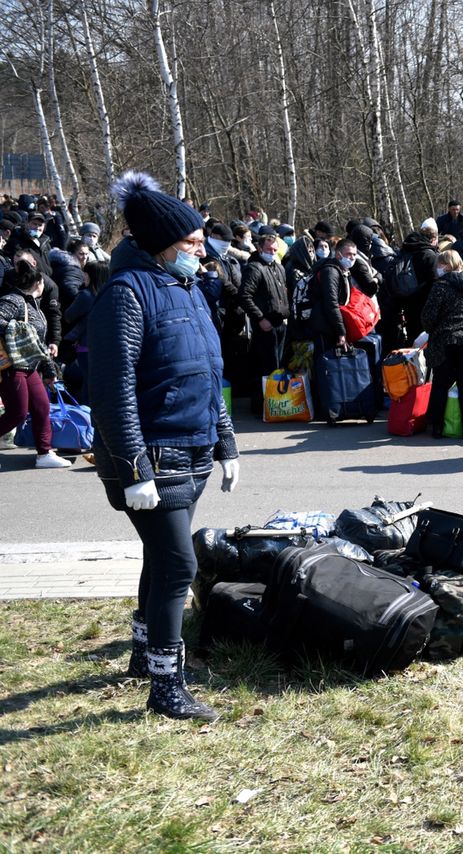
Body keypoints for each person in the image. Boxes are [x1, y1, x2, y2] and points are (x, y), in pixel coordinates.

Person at [87, 172, 238, 721]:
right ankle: (166, 687)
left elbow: (207, 372)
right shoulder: (124, 295)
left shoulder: (189, 289)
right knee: (179, 565)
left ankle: (142, 655)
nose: (202, 251)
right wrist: (134, 468)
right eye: (192, 243)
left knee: (162, 557)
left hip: (192, 452)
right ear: (162, 245)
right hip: (153, 457)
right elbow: (111, 389)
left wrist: (227, 443)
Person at [0, 253, 70, 468]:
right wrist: (17, 330)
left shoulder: (34, 305)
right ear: (38, 283)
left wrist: (50, 370)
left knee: (41, 407)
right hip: (12, 366)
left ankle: (44, 453)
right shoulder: (13, 300)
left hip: (30, 366)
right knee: (17, 413)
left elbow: (36, 342)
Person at [420, 249, 463, 438]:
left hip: (445, 340)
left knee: (440, 384)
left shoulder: (441, 287)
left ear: (447, 265)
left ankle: (437, 426)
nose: (437, 268)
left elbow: (428, 317)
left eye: (440, 264)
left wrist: (430, 327)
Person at [238, 230, 290, 417]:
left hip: (280, 323)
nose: (272, 252)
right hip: (265, 325)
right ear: (260, 249)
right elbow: (244, 296)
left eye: (275, 249)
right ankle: (261, 405)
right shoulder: (254, 268)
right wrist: (260, 318)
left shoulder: (278, 267)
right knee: (264, 367)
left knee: (278, 366)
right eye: (269, 249)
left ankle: (276, 402)